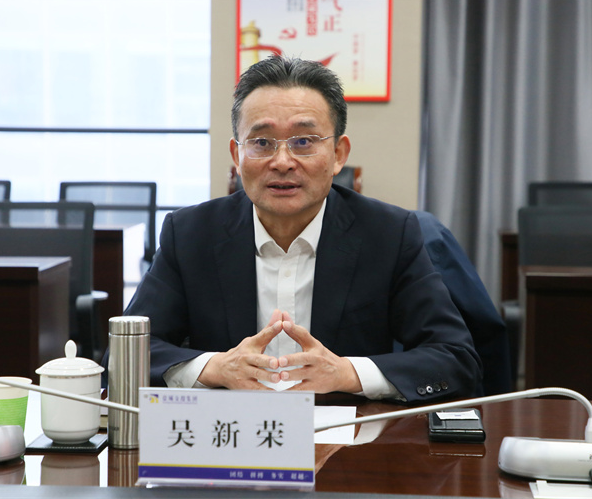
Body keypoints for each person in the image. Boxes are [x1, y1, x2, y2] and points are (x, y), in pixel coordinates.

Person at [125, 55, 481, 402]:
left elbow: (455, 357)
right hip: (228, 431)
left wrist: (346, 373)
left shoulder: (389, 234)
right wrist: (216, 368)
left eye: (304, 142)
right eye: (262, 143)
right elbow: (129, 351)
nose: (282, 162)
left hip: (346, 433)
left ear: (339, 154)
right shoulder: (190, 234)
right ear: (237, 156)